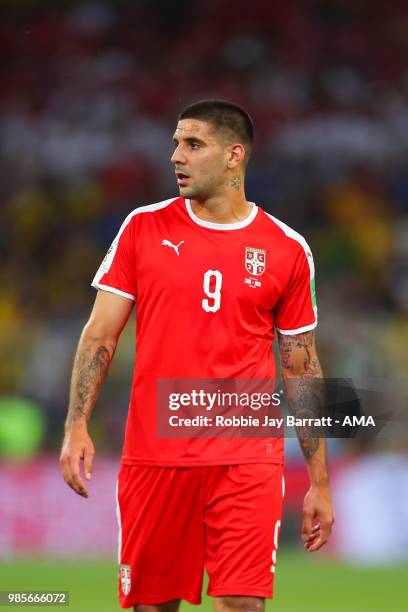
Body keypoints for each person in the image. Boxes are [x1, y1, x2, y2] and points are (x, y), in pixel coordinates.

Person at [60, 99, 334, 612]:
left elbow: (302, 366)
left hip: (246, 455)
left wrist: (318, 481)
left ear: (234, 156)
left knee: (242, 603)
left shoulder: (287, 248)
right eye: (175, 144)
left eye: (192, 144)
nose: (175, 157)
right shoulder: (142, 228)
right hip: (156, 454)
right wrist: (77, 424)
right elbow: (100, 336)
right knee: (153, 605)